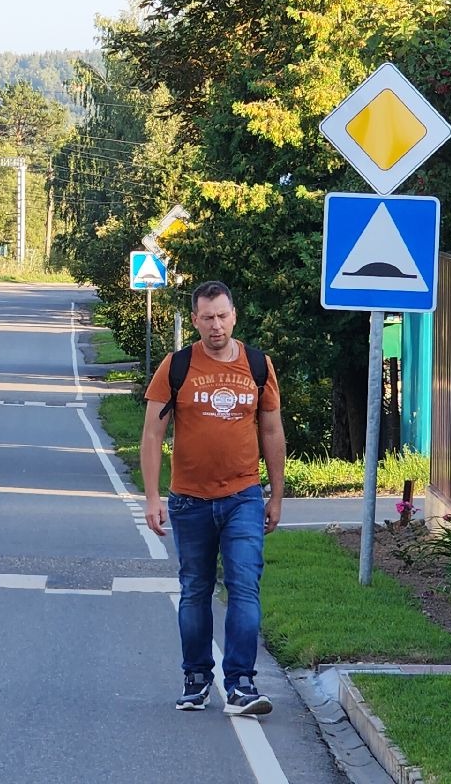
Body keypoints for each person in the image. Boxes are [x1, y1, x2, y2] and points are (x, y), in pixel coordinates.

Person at [140, 280, 285, 716]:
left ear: (234, 315)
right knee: (196, 589)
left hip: (243, 496)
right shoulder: (177, 365)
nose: (216, 325)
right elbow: (152, 433)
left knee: (244, 586)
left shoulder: (258, 366)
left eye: (222, 315)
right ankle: (196, 678)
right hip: (189, 500)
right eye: (207, 317)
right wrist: (151, 497)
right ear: (196, 320)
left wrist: (276, 495)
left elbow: (273, 432)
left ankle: (241, 683)